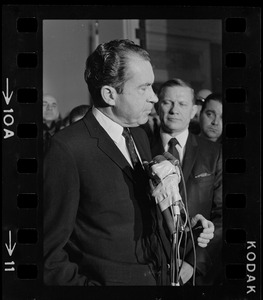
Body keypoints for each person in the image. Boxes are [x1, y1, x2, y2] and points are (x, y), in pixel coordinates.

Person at [44, 39, 214, 286]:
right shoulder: (66, 149)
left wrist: (186, 231)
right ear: (110, 94)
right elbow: (48, 257)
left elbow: (141, 218)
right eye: (144, 88)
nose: (154, 98)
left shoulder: (139, 135)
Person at [151, 78, 222, 285]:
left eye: (182, 104)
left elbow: (222, 215)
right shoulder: (142, 148)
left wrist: (193, 263)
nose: (174, 110)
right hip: (153, 266)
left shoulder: (214, 153)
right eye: (167, 103)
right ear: (157, 106)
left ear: (194, 112)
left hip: (197, 271)